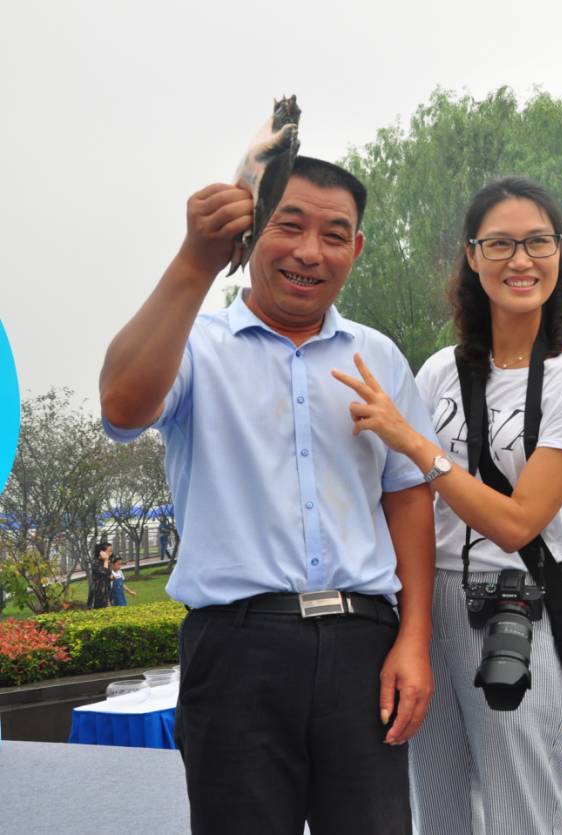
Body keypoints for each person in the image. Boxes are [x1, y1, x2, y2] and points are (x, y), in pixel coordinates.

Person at [99, 157, 436, 834]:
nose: (311, 252)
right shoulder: (197, 346)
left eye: (335, 233)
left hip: (362, 646)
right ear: (251, 234)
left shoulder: (378, 356)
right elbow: (122, 407)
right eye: (291, 225)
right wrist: (196, 260)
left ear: (357, 247)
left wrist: (415, 639)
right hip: (238, 650)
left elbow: (407, 498)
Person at [333, 176, 562, 834]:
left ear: (561, 252)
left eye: (537, 242)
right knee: (436, 808)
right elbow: (397, 496)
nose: (520, 260)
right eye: (500, 243)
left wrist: (413, 442)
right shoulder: (438, 371)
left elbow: (519, 521)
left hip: (516, 604)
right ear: (471, 255)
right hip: (426, 604)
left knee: (521, 810)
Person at [87, 542, 113, 609]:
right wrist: (106, 560)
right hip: (98, 591)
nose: (111, 553)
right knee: (98, 610)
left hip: (107, 589)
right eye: (109, 551)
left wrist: (111, 577)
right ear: (102, 552)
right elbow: (104, 572)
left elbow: (107, 575)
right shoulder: (96, 562)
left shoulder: (107, 562)